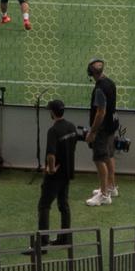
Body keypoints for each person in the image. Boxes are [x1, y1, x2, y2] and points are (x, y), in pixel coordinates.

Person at [38, 98, 81, 243]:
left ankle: (43, 242)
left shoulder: (53, 130)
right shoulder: (71, 127)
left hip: (55, 175)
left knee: (44, 205)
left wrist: (50, 169)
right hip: (67, 173)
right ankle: (65, 238)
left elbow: (51, 154)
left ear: (52, 112)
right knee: (64, 205)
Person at [84, 59, 119, 207]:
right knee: (109, 155)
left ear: (90, 73)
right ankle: (111, 187)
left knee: (99, 158)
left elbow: (100, 112)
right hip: (112, 125)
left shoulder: (99, 89)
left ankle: (104, 194)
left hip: (102, 129)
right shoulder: (110, 82)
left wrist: (92, 131)